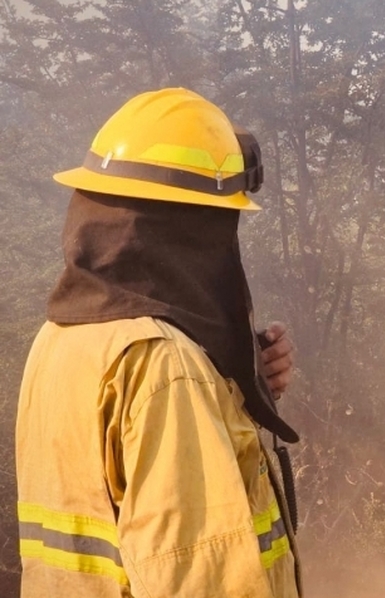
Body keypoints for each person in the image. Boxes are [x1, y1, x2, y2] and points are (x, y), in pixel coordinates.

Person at [16, 88, 302, 597]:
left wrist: (231, 389)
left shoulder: (60, 338)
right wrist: (198, 380)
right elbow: (199, 577)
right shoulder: (166, 369)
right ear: (194, 230)